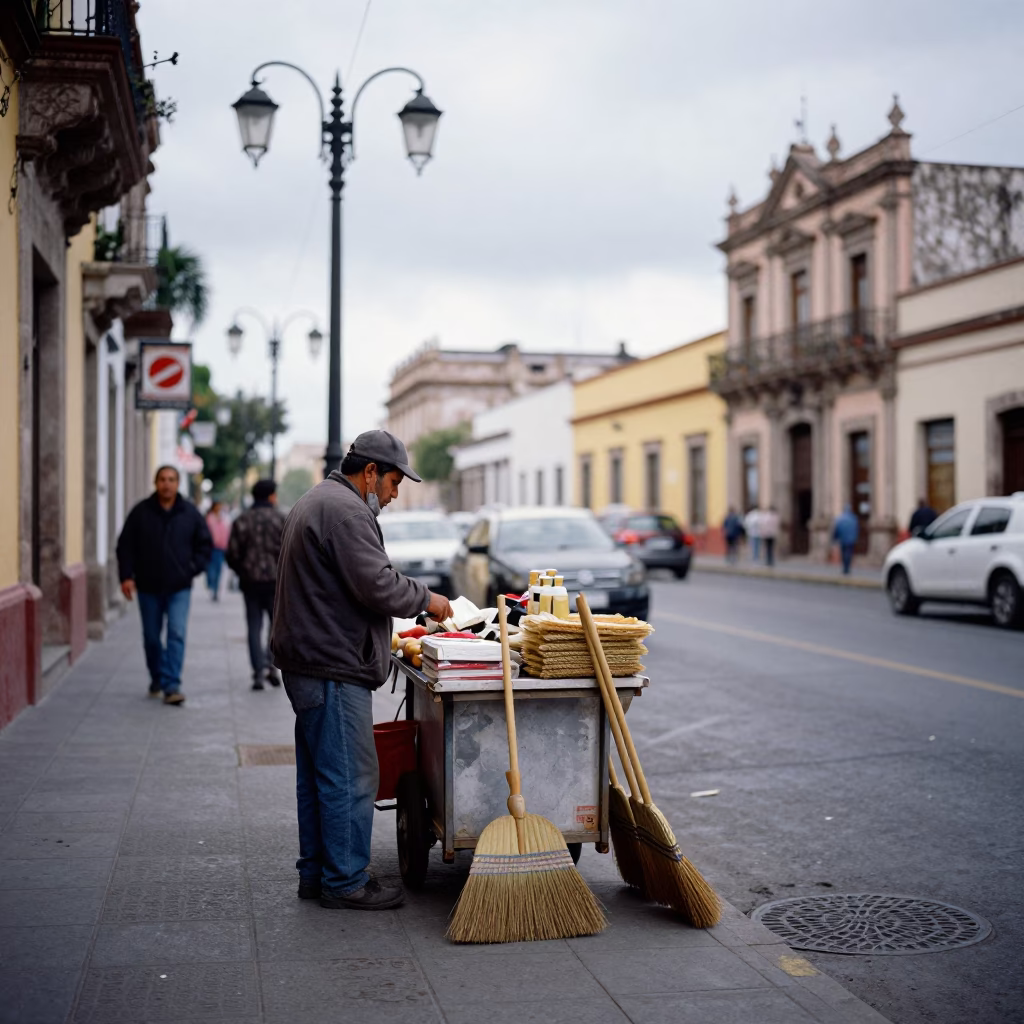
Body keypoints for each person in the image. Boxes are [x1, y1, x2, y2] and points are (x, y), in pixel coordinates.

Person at [272, 430, 454, 911]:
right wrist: (429, 599)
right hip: (331, 665)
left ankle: (317, 873)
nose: (395, 494)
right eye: (394, 482)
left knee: (319, 777)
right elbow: (376, 583)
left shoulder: (319, 500)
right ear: (370, 473)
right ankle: (346, 880)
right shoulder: (347, 510)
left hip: (310, 660)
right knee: (352, 776)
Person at [117, 465, 212, 705]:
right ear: (155, 482)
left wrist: (191, 569)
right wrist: (126, 576)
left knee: (177, 633)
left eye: (171, 479)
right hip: (148, 586)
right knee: (151, 637)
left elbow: (205, 545)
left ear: (178, 483)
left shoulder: (190, 513)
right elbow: (125, 546)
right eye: (162, 479)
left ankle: (172, 685)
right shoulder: (141, 512)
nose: (166, 484)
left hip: (180, 587)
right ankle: (157, 677)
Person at [227, 479, 286, 691]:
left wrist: (243, 570)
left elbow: (232, 553)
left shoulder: (242, 520)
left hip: (250, 582)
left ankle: (257, 673)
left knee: (254, 626)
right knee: (275, 627)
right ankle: (272, 667)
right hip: (276, 583)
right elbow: (291, 552)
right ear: (271, 496)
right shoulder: (281, 519)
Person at [205, 500, 231, 601]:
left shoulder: (223, 518)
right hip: (211, 547)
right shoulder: (210, 518)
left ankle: (215, 590)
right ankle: (211, 584)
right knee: (211, 569)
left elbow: (226, 531)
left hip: (221, 547)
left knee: (219, 569)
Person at [832, 505, 860, 575]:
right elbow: (856, 529)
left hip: (843, 539)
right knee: (849, 553)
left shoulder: (840, 518)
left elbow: (837, 529)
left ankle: (845, 568)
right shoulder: (853, 518)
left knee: (844, 553)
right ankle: (847, 567)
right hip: (851, 539)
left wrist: (835, 538)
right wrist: (856, 537)